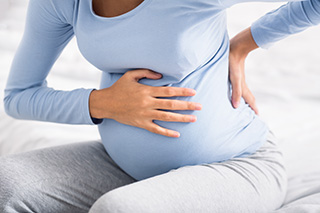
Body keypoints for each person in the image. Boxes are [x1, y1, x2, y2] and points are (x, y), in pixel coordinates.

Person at [0, 0, 319, 212]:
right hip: (122, 167)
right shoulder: (62, 3)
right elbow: (18, 97)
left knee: (119, 209)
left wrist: (244, 43)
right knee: (7, 184)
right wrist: (102, 103)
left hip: (236, 163)